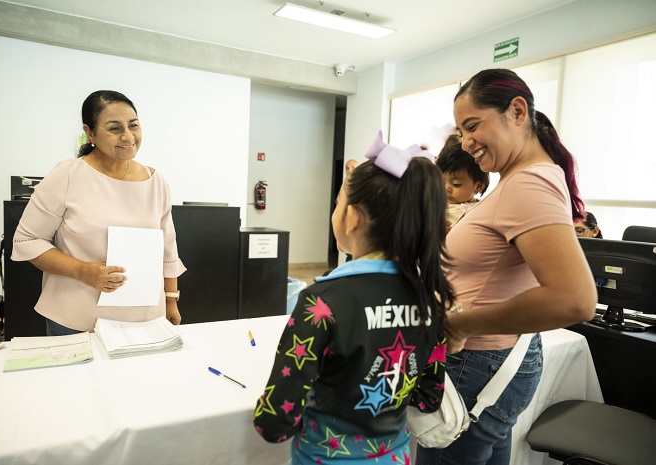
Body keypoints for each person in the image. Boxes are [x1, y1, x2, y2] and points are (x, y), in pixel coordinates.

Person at [416, 69, 597, 465]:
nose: (465, 143)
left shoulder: (529, 184)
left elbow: (575, 300)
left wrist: (462, 324)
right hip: (490, 361)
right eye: (461, 131)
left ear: (517, 111)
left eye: (472, 126)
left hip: (476, 364)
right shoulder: (520, 180)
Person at [254, 131, 452, 464]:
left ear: (352, 217)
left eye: (338, 205)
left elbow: (274, 423)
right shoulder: (430, 298)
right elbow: (428, 397)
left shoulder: (321, 303)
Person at [12, 90, 186, 336]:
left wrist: (171, 300)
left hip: (145, 318)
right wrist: (83, 271)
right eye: (114, 128)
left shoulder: (155, 181)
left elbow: (168, 251)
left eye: (133, 125)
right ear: (90, 133)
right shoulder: (68, 175)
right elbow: (27, 241)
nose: (128, 136)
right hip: (77, 320)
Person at [435, 134, 490, 229]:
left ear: (478, 186)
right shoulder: (436, 207)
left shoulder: (481, 211)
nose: (446, 189)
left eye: (456, 184)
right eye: (442, 183)